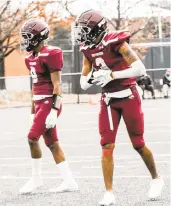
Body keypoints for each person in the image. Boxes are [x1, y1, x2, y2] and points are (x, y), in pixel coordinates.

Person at [72, 10, 164, 206]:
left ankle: (156, 178)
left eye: (84, 30)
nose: (81, 34)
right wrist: (92, 79)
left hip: (129, 95)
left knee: (138, 144)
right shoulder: (87, 50)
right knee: (106, 145)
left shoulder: (116, 42)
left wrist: (113, 75)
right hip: (108, 100)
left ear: (97, 29)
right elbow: (83, 83)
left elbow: (140, 69)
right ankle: (108, 193)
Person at [19, 19, 78, 194]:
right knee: (52, 143)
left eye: (28, 37)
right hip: (38, 103)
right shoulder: (29, 58)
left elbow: (57, 84)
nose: (25, 41)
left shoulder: (51, 53)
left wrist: (54, 109)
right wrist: (32, 111)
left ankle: (36, 178)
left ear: (38, 37)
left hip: (49, 102)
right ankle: (69, 181)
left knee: (32, 138)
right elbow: (34, 86)